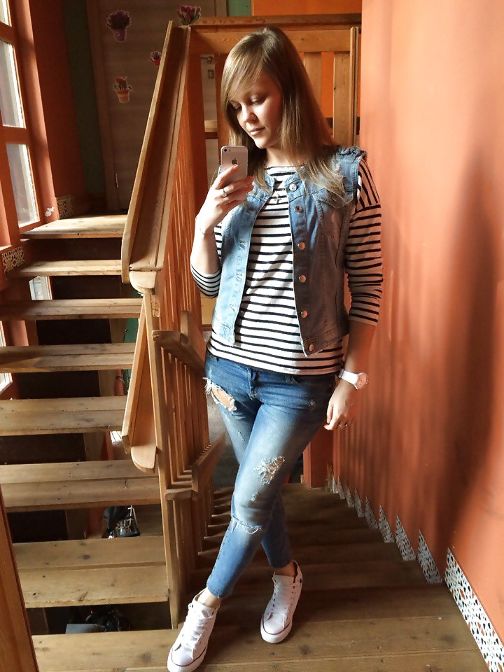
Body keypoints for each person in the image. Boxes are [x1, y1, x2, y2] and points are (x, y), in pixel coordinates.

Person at [167, 25, 383, 672]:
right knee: (257, 496)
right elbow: (209, 283)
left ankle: (205, 605)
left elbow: (370, 284)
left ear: (290, 89)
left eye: (257, 98)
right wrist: (203, 226)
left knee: (247, 498)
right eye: (237, 106)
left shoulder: (346, 175)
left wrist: (350, 378)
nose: (247, 118)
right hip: (229, 370)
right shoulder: (243, 180)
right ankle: (287, 575)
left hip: (299, 381)